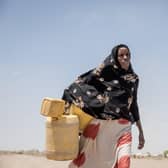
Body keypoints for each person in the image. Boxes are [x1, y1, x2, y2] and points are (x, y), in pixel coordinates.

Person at [62, 44, 145, 168]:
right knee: (87, 161)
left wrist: (141, 131)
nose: (125, 57)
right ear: (115, 58)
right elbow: (82, 81)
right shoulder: (105, 73)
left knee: (123, 164)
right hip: (101, 125)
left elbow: (133, 104)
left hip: (123, 127)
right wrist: (95, 102)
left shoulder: (134, 79)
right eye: (121, 55)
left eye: (127, 55)